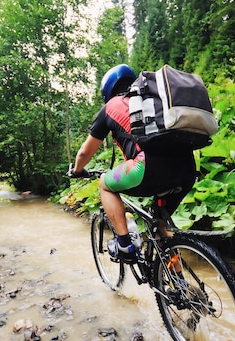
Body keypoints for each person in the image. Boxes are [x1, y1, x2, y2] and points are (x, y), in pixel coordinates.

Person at [68, 64, 196, 263]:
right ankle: (178, 284)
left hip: (148, 168)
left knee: (105, 184)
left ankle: (125, 245)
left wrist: (77, 171)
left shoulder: (110, 107)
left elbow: (85, 152)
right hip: (187, 168)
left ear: (108, 91)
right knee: (160, 227)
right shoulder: (153, 101)